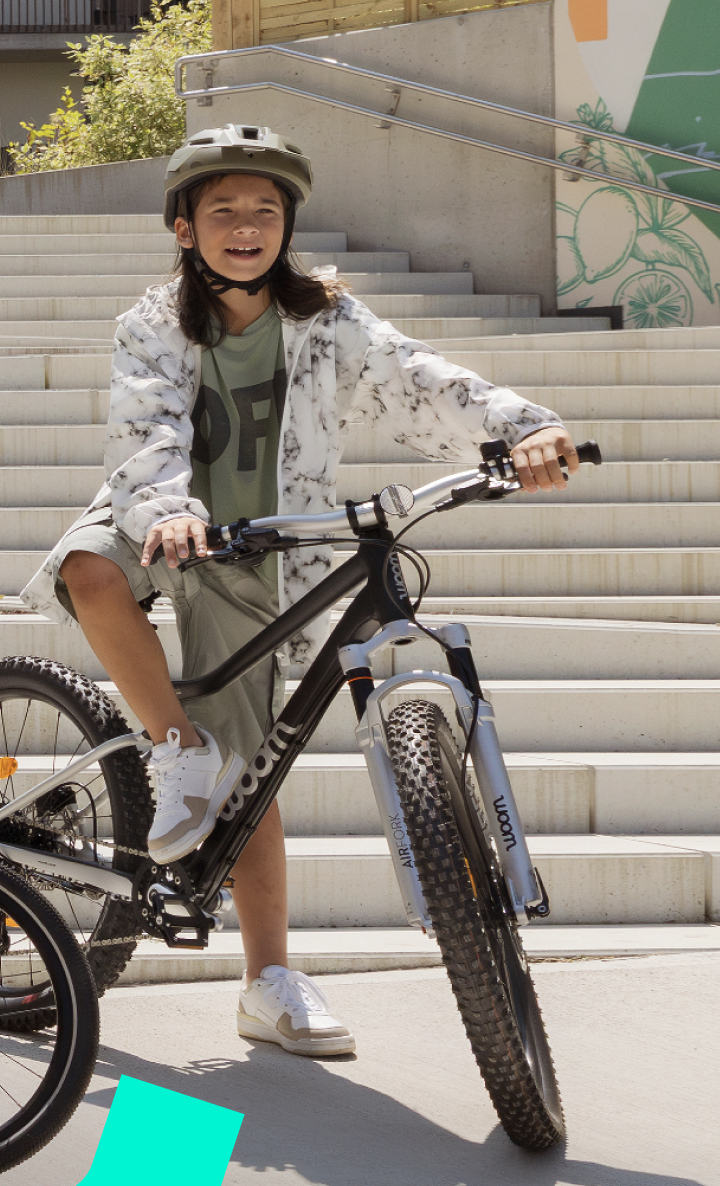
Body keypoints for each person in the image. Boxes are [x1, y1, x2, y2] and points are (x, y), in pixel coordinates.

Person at [30, 125, 579, 1059]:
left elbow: (418, 379)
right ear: (182, 226)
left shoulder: (327, 317)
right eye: (223, 212)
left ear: (287, 226)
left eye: (266, 212)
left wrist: (523, 430)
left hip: (266, 546)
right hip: (160, 518)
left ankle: (268, 982)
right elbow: (148, 431)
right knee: (89, 568)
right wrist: (168, 510)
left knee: (256, 773)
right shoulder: (152, 324)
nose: (245, 227)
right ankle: (175, 745)